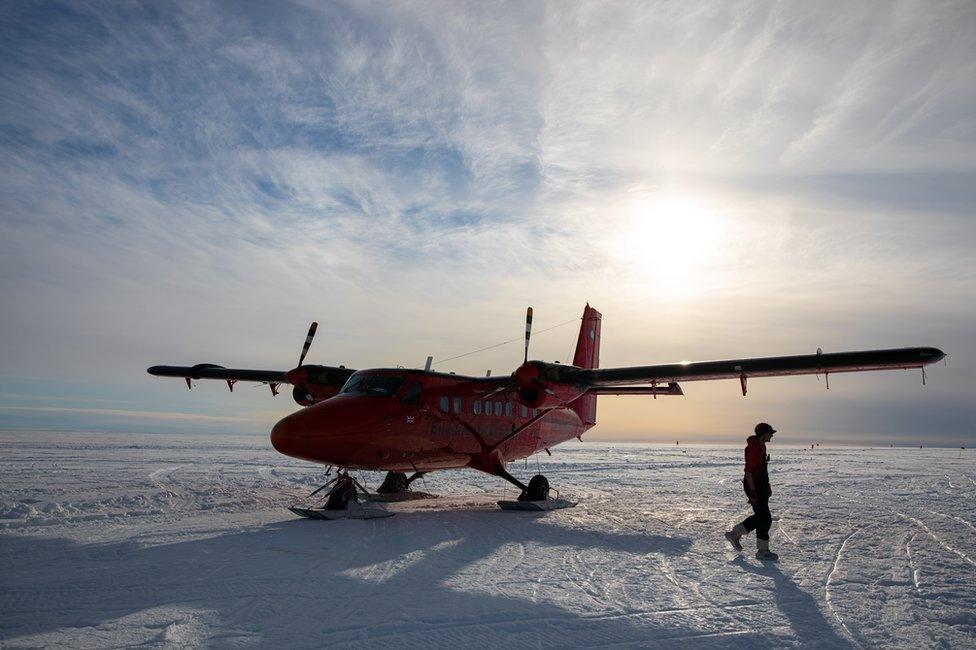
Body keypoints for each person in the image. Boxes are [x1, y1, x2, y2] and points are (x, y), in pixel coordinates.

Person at [725, 422, 778, 561]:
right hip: (753, 486)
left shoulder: (761, 446)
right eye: (770, 433)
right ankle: (761, 550)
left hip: (761, 486)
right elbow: (749, 472)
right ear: (763, 434)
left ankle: (737, 535)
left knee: (763, 518)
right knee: (764, 517)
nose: (772, 435)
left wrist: (767, 486)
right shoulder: (752, 448)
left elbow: (761, 470)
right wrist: (753, 492)